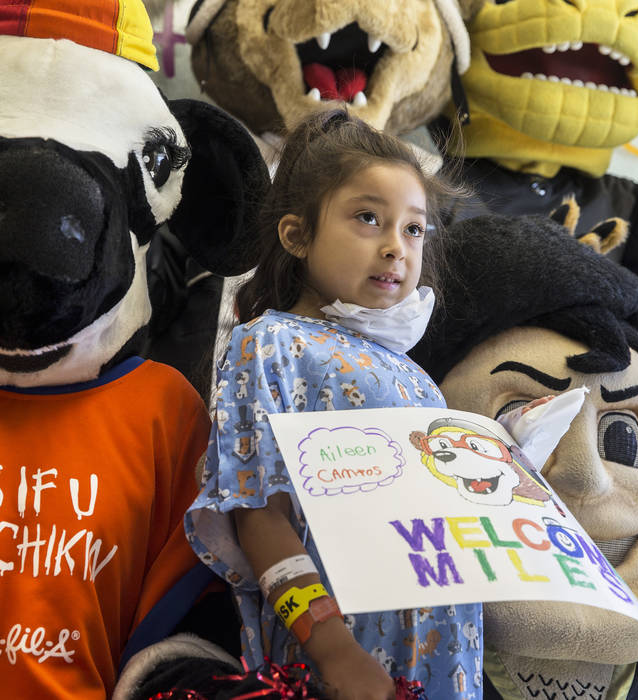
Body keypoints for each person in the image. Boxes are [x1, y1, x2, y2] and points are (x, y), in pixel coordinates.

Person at [184, 111, 482, 700]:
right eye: (368, 218)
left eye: (415, 229)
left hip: (448, 667)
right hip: (341, 665)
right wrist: (333, 647)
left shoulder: (418, 377)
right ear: (297, 236)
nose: (396, 246)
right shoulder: (270, 343)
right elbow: (257, 514)